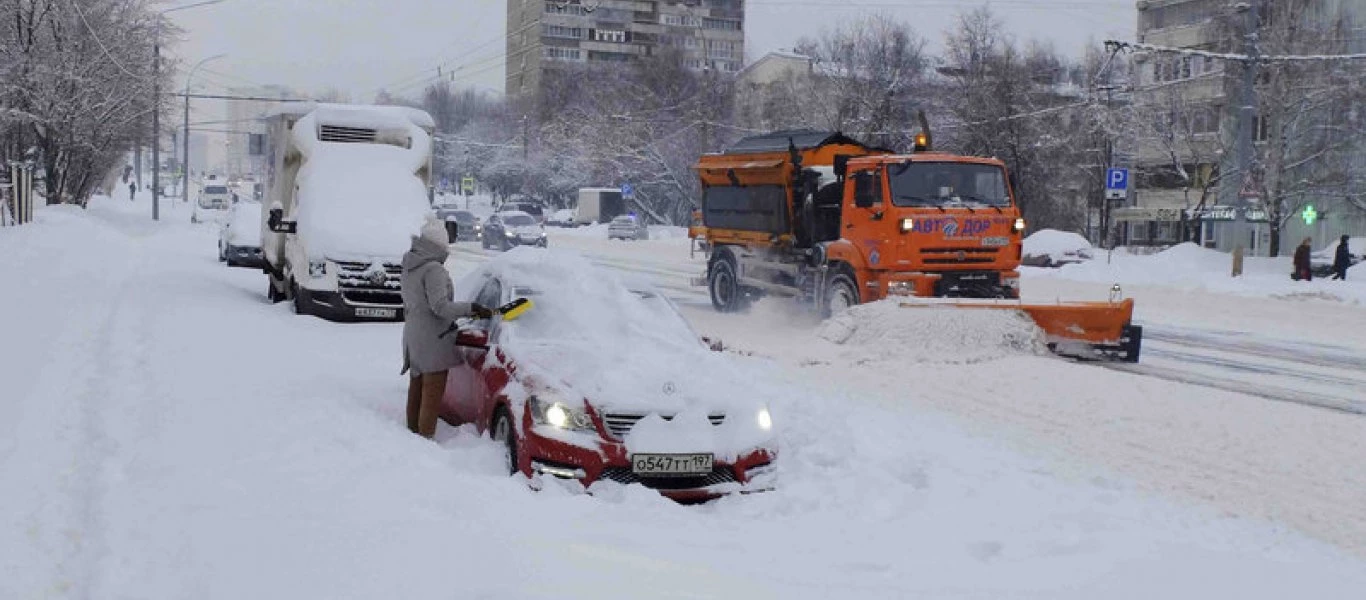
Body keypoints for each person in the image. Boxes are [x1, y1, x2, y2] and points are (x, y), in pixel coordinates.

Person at [400, 216, 492, 438]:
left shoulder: (411, 263)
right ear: (439, 244)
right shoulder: (433, 270)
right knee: (432, 392)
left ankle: (410, 434)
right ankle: (424, 438)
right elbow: (440, 307)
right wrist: (471, 308)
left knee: (416, 387)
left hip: (413, 335)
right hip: (433, 338)